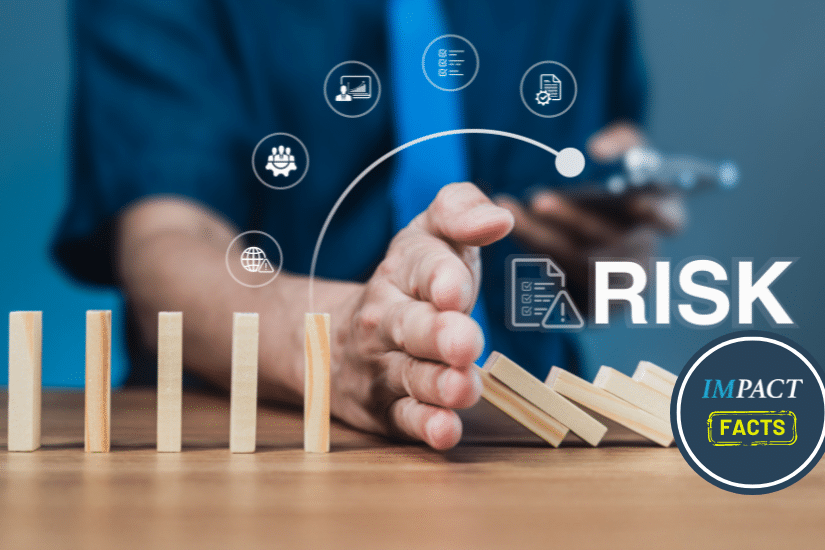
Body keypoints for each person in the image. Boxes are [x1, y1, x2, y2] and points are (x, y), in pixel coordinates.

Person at [55, 0, 684, 450]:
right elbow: (167, 240)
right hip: (255, 443)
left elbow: (591, 268)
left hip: (531, 439)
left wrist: (612, 254)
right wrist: (332, 351)